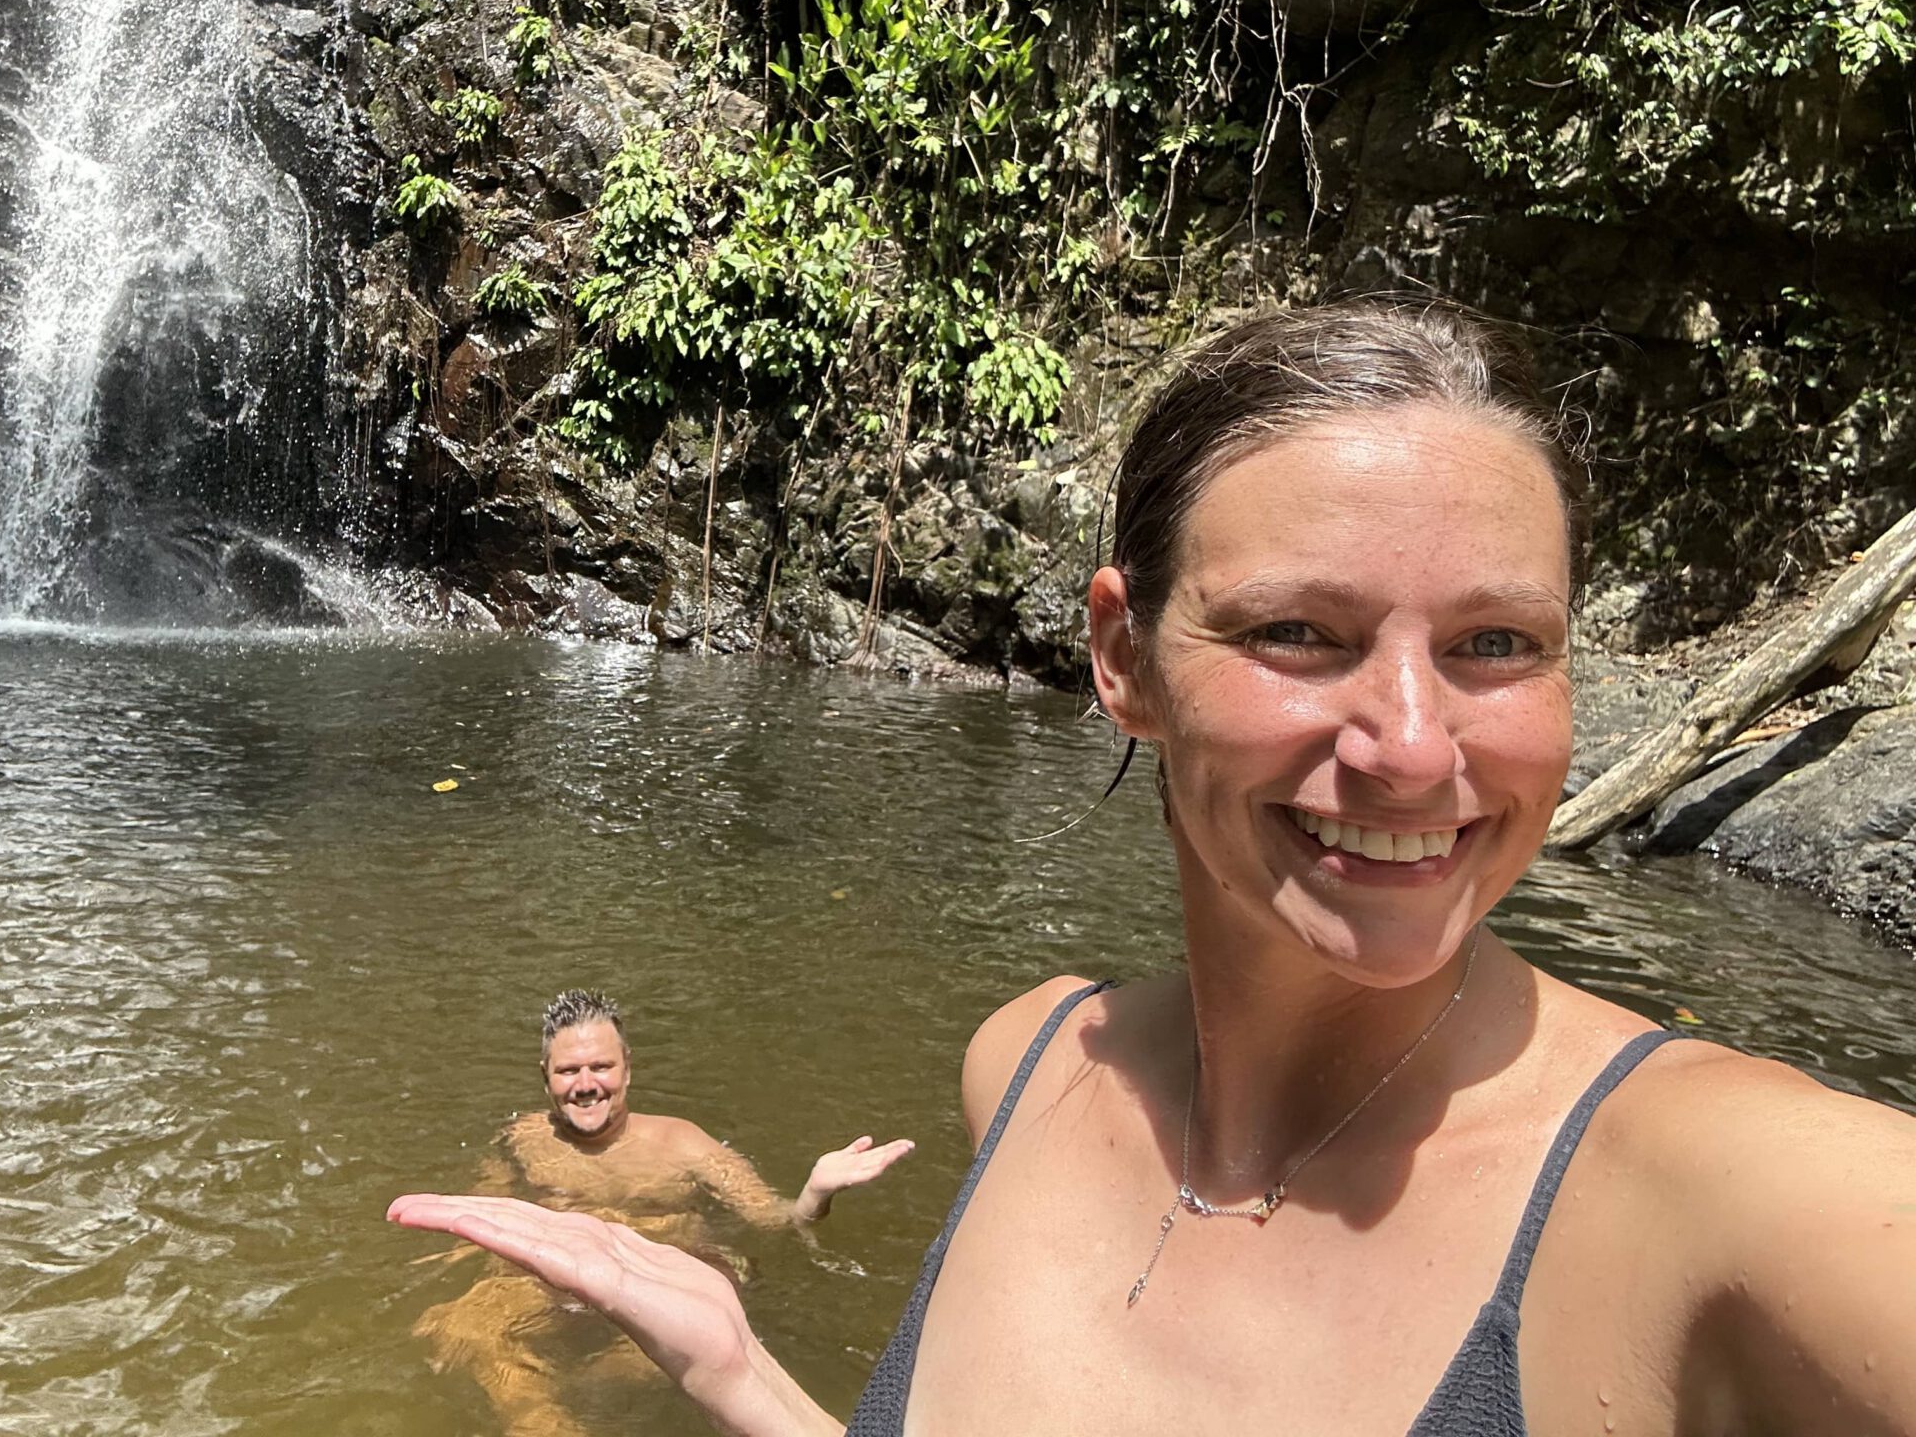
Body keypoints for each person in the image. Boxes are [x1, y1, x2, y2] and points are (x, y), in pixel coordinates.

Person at [390, 302, 1916, 1436]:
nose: (1408, 745)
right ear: (1123, 658)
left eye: (1495, 645)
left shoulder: (1749, 1202)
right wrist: (744, 1375)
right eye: (1299, 634)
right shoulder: (1030, 1066)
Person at [408, 988, 912, 1436]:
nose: (585, 1084)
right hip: (552, 1278)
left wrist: (815, 1192)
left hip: (667, 1280)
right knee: (458, 1327)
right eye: (568, 1071)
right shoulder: (523, 1140)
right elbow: (482, 1213)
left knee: (646, 1362)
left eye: (600, 1066)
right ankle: (543, 1423)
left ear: (627, 1066)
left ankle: (589, 1393)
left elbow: (770, 1219)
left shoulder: (683, 1144)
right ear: (546, 1078)